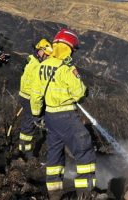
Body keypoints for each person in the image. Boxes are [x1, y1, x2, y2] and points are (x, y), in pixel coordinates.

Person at [30, 28, 96, 200]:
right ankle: (85, 193)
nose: (73, 53)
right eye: (73, 50)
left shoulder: (42, 66)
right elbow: (79, 93)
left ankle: (54, 194)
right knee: (84, 146)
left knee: (55, 153)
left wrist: (37, 114)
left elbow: (35, 95)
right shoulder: (67, 68)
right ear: (68, 47)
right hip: (66, 116)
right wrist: (82, 91)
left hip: (50, 117)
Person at [18, 38, 53, 159]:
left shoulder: (31, 58)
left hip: (24, 96)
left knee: (28, 121)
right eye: (47, 55)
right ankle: (25, 153)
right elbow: (37, 90)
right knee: (34, 121)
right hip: (30, 98)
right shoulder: (37, 66)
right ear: (40, 51)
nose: (48, 57)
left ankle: (24, 150)